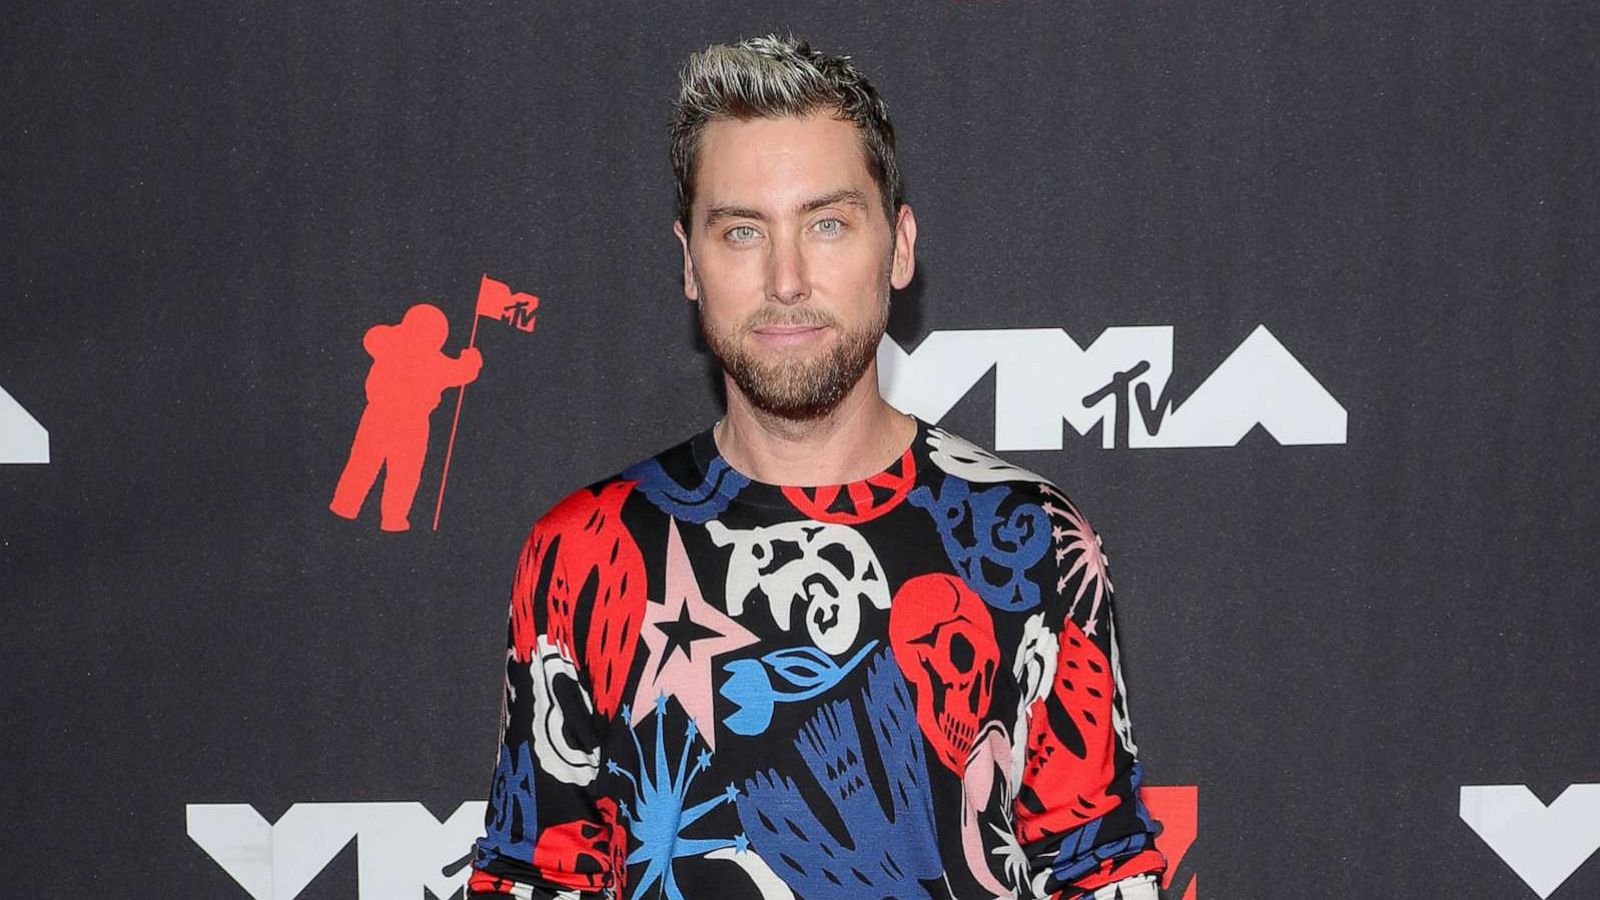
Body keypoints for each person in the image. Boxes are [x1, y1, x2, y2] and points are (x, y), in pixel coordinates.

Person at [467, 34, 1166, 900]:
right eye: (742, 231)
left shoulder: (1031, 538)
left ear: (900, 247)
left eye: (827, 224)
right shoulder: (583, 550)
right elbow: (534, 871)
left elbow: (1097, 869)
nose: (786, 278)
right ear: (690, 263)